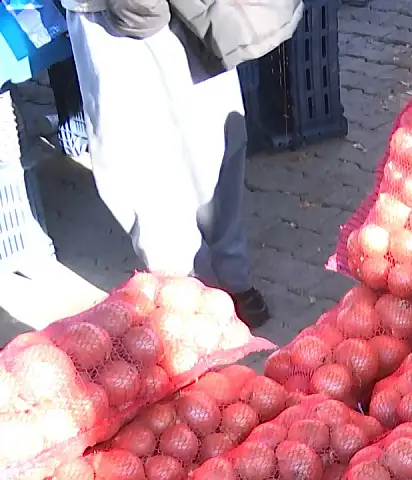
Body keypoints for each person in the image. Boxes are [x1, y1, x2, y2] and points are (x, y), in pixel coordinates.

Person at [60, 0, 304, 328]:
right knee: (192, 146)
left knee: (165, 155)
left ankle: (199, 290)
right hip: (156, 13)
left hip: (142, 15)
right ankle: (209, 288)